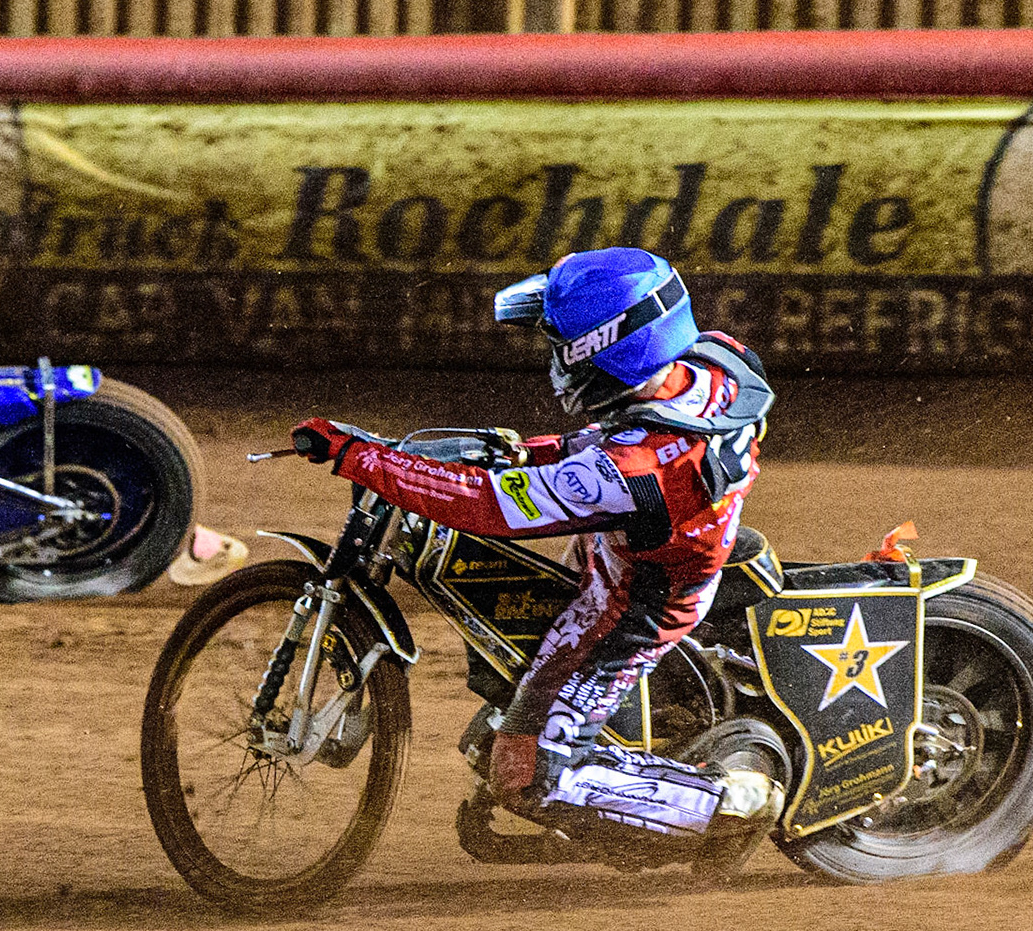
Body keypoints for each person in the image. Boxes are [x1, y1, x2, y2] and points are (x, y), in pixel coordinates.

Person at [292, 247, 780, 849]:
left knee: (525, 777)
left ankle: (732, 801)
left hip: (634, 606)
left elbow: (488, 505)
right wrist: (530, 450)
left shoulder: (635, 471)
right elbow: (635, 432)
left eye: (560, 346)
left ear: (604, 351)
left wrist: (360, 457)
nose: (553, 359)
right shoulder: (718, 361)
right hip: (649, 542)